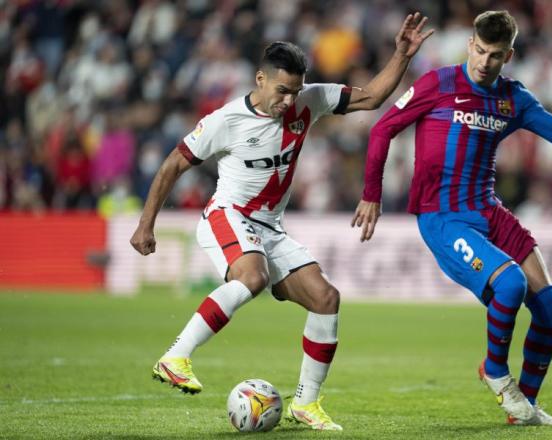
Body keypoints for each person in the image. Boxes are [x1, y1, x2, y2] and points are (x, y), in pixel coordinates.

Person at [352, 10, 552, 426]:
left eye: (494, 55)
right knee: (510, 282)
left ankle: (524, 409)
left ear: (508, 55)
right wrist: (372, 195)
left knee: (550, 307)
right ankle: (495, 371)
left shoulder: (514, 98)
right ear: (469, 44)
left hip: (489, 211)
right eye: (478, 50)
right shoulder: (437, 83)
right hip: (443, 217)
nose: (483, 61)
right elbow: (382, 129)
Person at [130, 13, 433, 431]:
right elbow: (171, 166)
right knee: (250, 278)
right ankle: (175, 357)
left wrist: (401, 55)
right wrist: (146, 225)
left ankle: (306, 404)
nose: (288, 101)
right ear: (260, 79)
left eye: (294, 92)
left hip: (270, 228)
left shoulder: (309, 99)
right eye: (281, 91)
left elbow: (372, 97)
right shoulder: (226, 121)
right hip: (228, 215)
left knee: (326, 299)